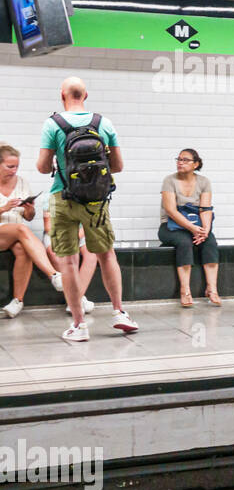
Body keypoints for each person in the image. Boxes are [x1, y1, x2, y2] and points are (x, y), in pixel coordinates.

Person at [35, 77, 137, 341]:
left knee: (68, 261)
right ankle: (119, 313)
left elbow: (42, 167)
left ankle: (79, 325)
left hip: (62, 198)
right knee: (106, 256)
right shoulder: (103, 123)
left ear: (62, 96)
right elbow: (118, 166)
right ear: (86, 95)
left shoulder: (53, 124)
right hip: (96, 202)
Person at [0, 144, 64, 318]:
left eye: (16, 167)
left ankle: (17, 302)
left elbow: (28, 217)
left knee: (23, 249)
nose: (14, 171)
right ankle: (54, 275)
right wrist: (4, 208)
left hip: (14, 233)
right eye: (10, 166)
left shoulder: (21, 182)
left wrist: (29, 209)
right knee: (22, 229)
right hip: (4, 231)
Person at [159, 148, 220, 307]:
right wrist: (192, 229)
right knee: (185, 242)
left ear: (196, 164)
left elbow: (205, 209)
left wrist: (205, 230)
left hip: (197, 226)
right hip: (171, 226)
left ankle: (212, 289)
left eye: (185, 160)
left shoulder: (204, 182)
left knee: (210, 242)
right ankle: (185, 290)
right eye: (178, 159)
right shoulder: (169, 180)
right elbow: (170, 210)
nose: (180, 163)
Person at [41, 196, 98, 318]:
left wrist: (74, 237)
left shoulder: (85, 196)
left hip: (79, 233)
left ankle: (75, 300)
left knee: (92, 255)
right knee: (54, 252)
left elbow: (88, 224)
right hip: (56, 235)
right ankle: (79, 300)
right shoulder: (51, 198)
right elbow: (48, 227)